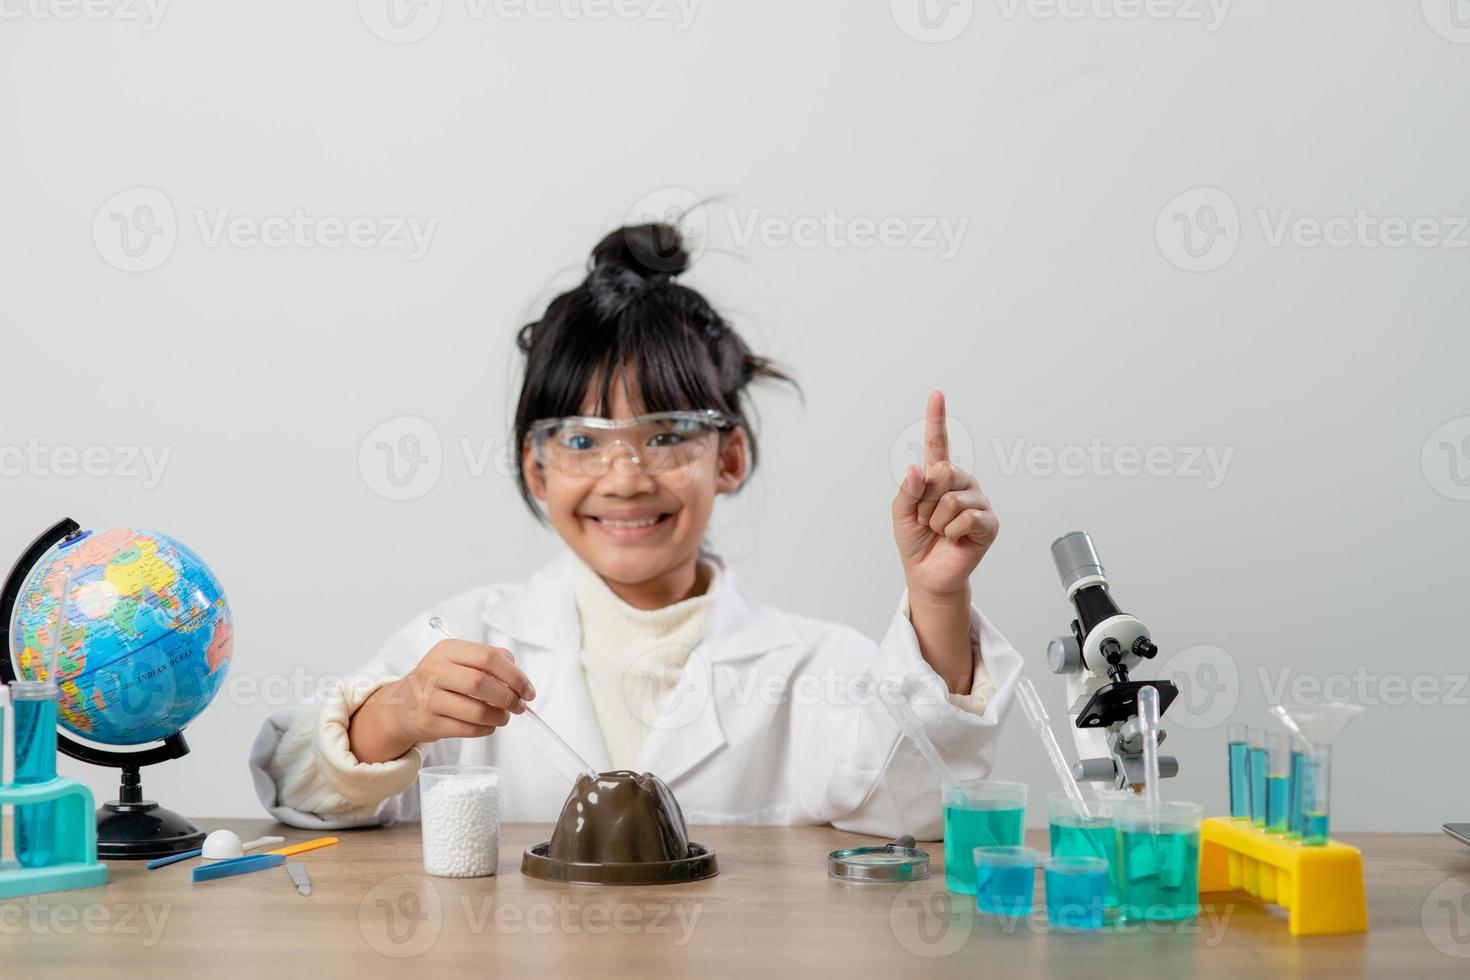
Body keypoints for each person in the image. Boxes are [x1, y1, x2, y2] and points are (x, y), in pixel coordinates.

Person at [249, 222, 1022, 838]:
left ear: (729, 456)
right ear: (536, 467)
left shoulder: (809, 669)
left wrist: (935, 599)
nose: (624, 478)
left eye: (666, 434)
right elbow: (293, 783)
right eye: (583, 440)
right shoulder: (459, 638)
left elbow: (917, 808)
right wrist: (396, 715)